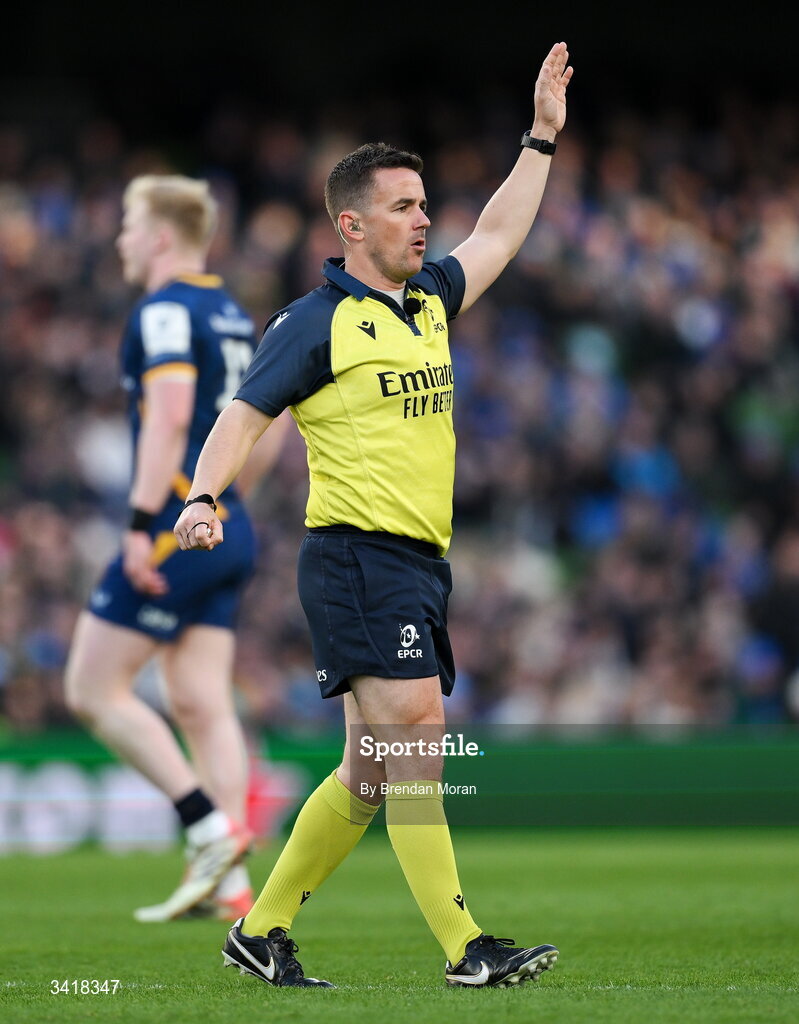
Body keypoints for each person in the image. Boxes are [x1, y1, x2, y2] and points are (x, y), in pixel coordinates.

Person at [175, 41, 572, 988]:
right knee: (417, 739)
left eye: (425, 205)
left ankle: (259, 929)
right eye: (403, 207)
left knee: (366, 774)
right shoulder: (315, 322)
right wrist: (202, 494)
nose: (424, 222)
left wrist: (541, 139)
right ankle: (467, 949)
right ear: (351, 224)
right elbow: (244, 411)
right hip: (355, 558)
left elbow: (501, 237)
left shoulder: (427, 300)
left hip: (417, 565)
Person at [65, 174, 289, 923]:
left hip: (171, 524)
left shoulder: (162, 311)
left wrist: (138, 525)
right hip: (230, 522)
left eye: (129, 227)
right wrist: (224, 496)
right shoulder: (230, 313)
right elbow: (272, 419)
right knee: (200, 701)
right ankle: (228, 886)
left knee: (92, 689)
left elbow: (165, 416)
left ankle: (206, 824)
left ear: (160, 235)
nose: (122, 241)